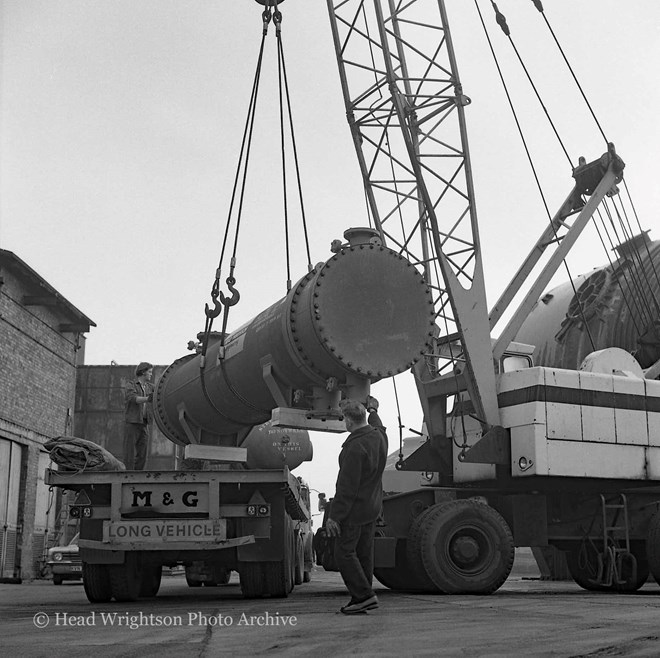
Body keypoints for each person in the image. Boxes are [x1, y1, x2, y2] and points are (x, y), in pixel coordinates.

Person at [325, 396, 387, 615]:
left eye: (344, 419)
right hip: (372, 507)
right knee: (364, 554)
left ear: (349, 421)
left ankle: (363, 596)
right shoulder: (379, 437)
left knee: (344, 553)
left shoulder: (355, 447)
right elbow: (379, 425)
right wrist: (374, 410)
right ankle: (363, 597)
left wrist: (335, 517)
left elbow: (347, 488)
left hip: (355, 510)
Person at [123, 361, 154, 470]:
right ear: (143, 372)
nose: (151, 374)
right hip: (132, 422)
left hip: (144, 423)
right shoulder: (130, 385)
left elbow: (161, 392)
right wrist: (148, 399)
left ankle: (138, 475)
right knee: (129, 452)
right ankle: (128, 474)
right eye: (149, 372)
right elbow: (133, 399)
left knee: (143, 453)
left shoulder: (150, 387)